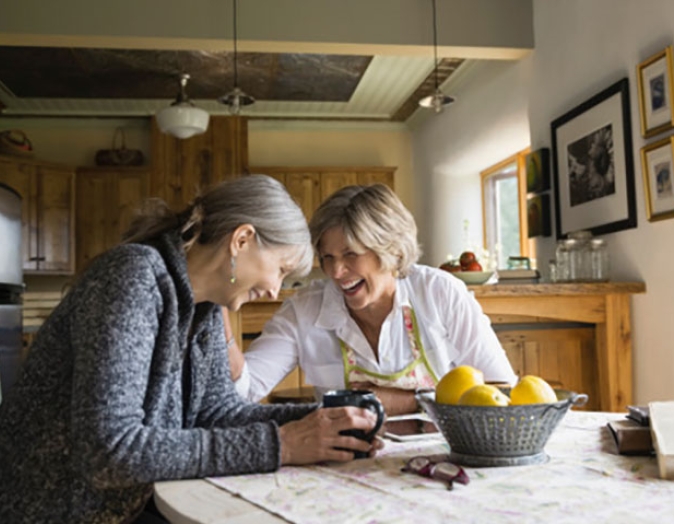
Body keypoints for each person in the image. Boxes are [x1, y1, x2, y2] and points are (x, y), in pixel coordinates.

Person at [0, 175, 381, 524]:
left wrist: (324, 423)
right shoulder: (132, 278)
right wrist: (282, 444)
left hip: (123, 507)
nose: (274, 291)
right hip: (55, 512)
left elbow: (218, 413)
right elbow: (108, 451)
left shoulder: (206, 307)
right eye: (280, 270)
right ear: (242, 240)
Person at [231, 184, 517, 415]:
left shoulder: (440, 293)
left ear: (391, 250)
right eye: (328, 257)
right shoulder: (303, 310)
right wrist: (219, 303)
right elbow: (244, 389)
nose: (336, 271)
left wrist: (406, 401)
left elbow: (501, 389)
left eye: (350, 254)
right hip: (348, 460)